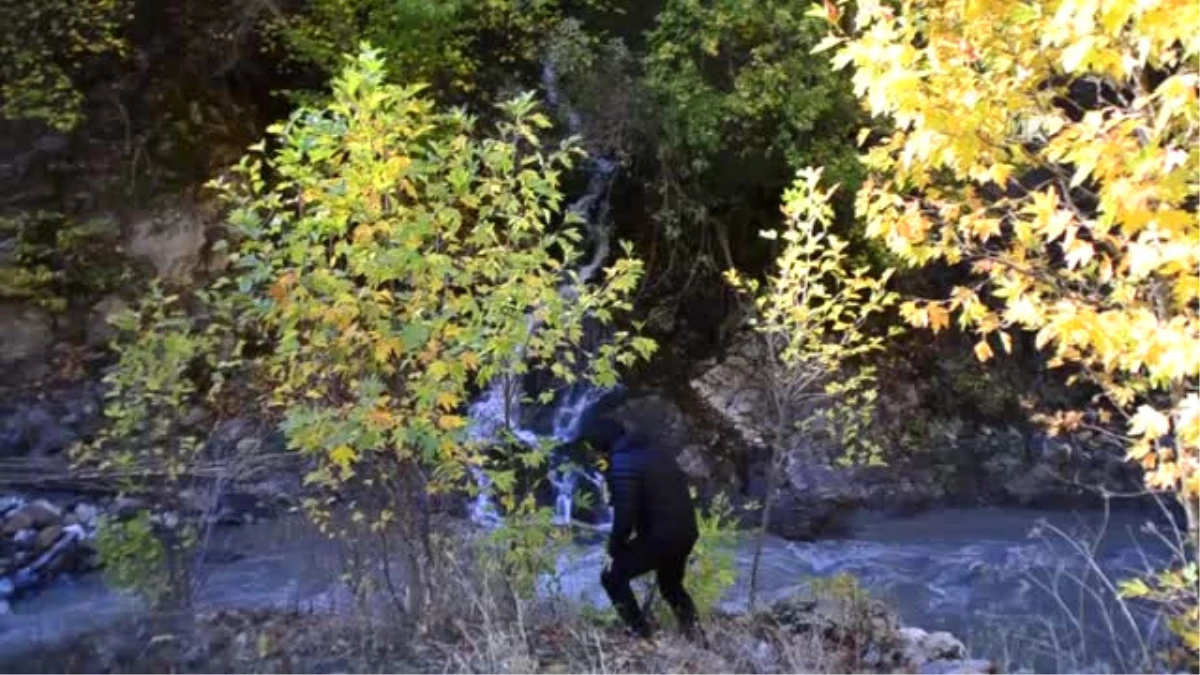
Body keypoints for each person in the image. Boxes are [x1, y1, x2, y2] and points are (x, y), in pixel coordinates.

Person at [586, 417, 704, 643]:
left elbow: (625, 516)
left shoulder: (622, 461)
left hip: (660, 536)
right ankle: (696, 636)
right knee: (671, 585)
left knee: (612, 577)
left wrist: (614, 548)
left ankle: (640, 636)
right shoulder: (655, 450)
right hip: (686, 531)